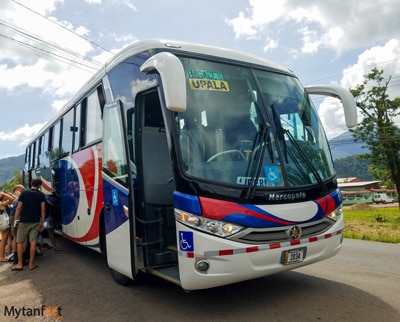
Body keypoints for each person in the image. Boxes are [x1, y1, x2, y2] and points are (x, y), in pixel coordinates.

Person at [12, 179, 46, 271]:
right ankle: (31, 264)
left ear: (31, 184)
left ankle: (19, 264)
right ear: (39, 185)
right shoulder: (41, 195)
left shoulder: (24, 193)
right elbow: (43, 209)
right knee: (33, 241)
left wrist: (15, 219)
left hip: (24, 221)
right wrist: (42, 222)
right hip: (35, 221)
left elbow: (18, 208)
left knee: (19, 241)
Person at [6, 184, 25, 264]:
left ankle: (14, 255)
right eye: (18, 190)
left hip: (14, 217)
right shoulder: (12, 198)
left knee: (16, 237)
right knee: (16, 237)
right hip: (14, 217)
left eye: (21, 190)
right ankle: (16, 255)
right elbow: (16, 203)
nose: (19, 192)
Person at [0, 190, 17, 262]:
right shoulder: (2, 204)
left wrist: (8, 194)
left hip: (5, 223)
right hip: (4, 224)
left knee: (5, 240)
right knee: (4, 240)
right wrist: (4, 193)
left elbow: (16, 199)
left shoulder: (4, 203)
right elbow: (12, 199)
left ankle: (3, 255)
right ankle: (1, 256)